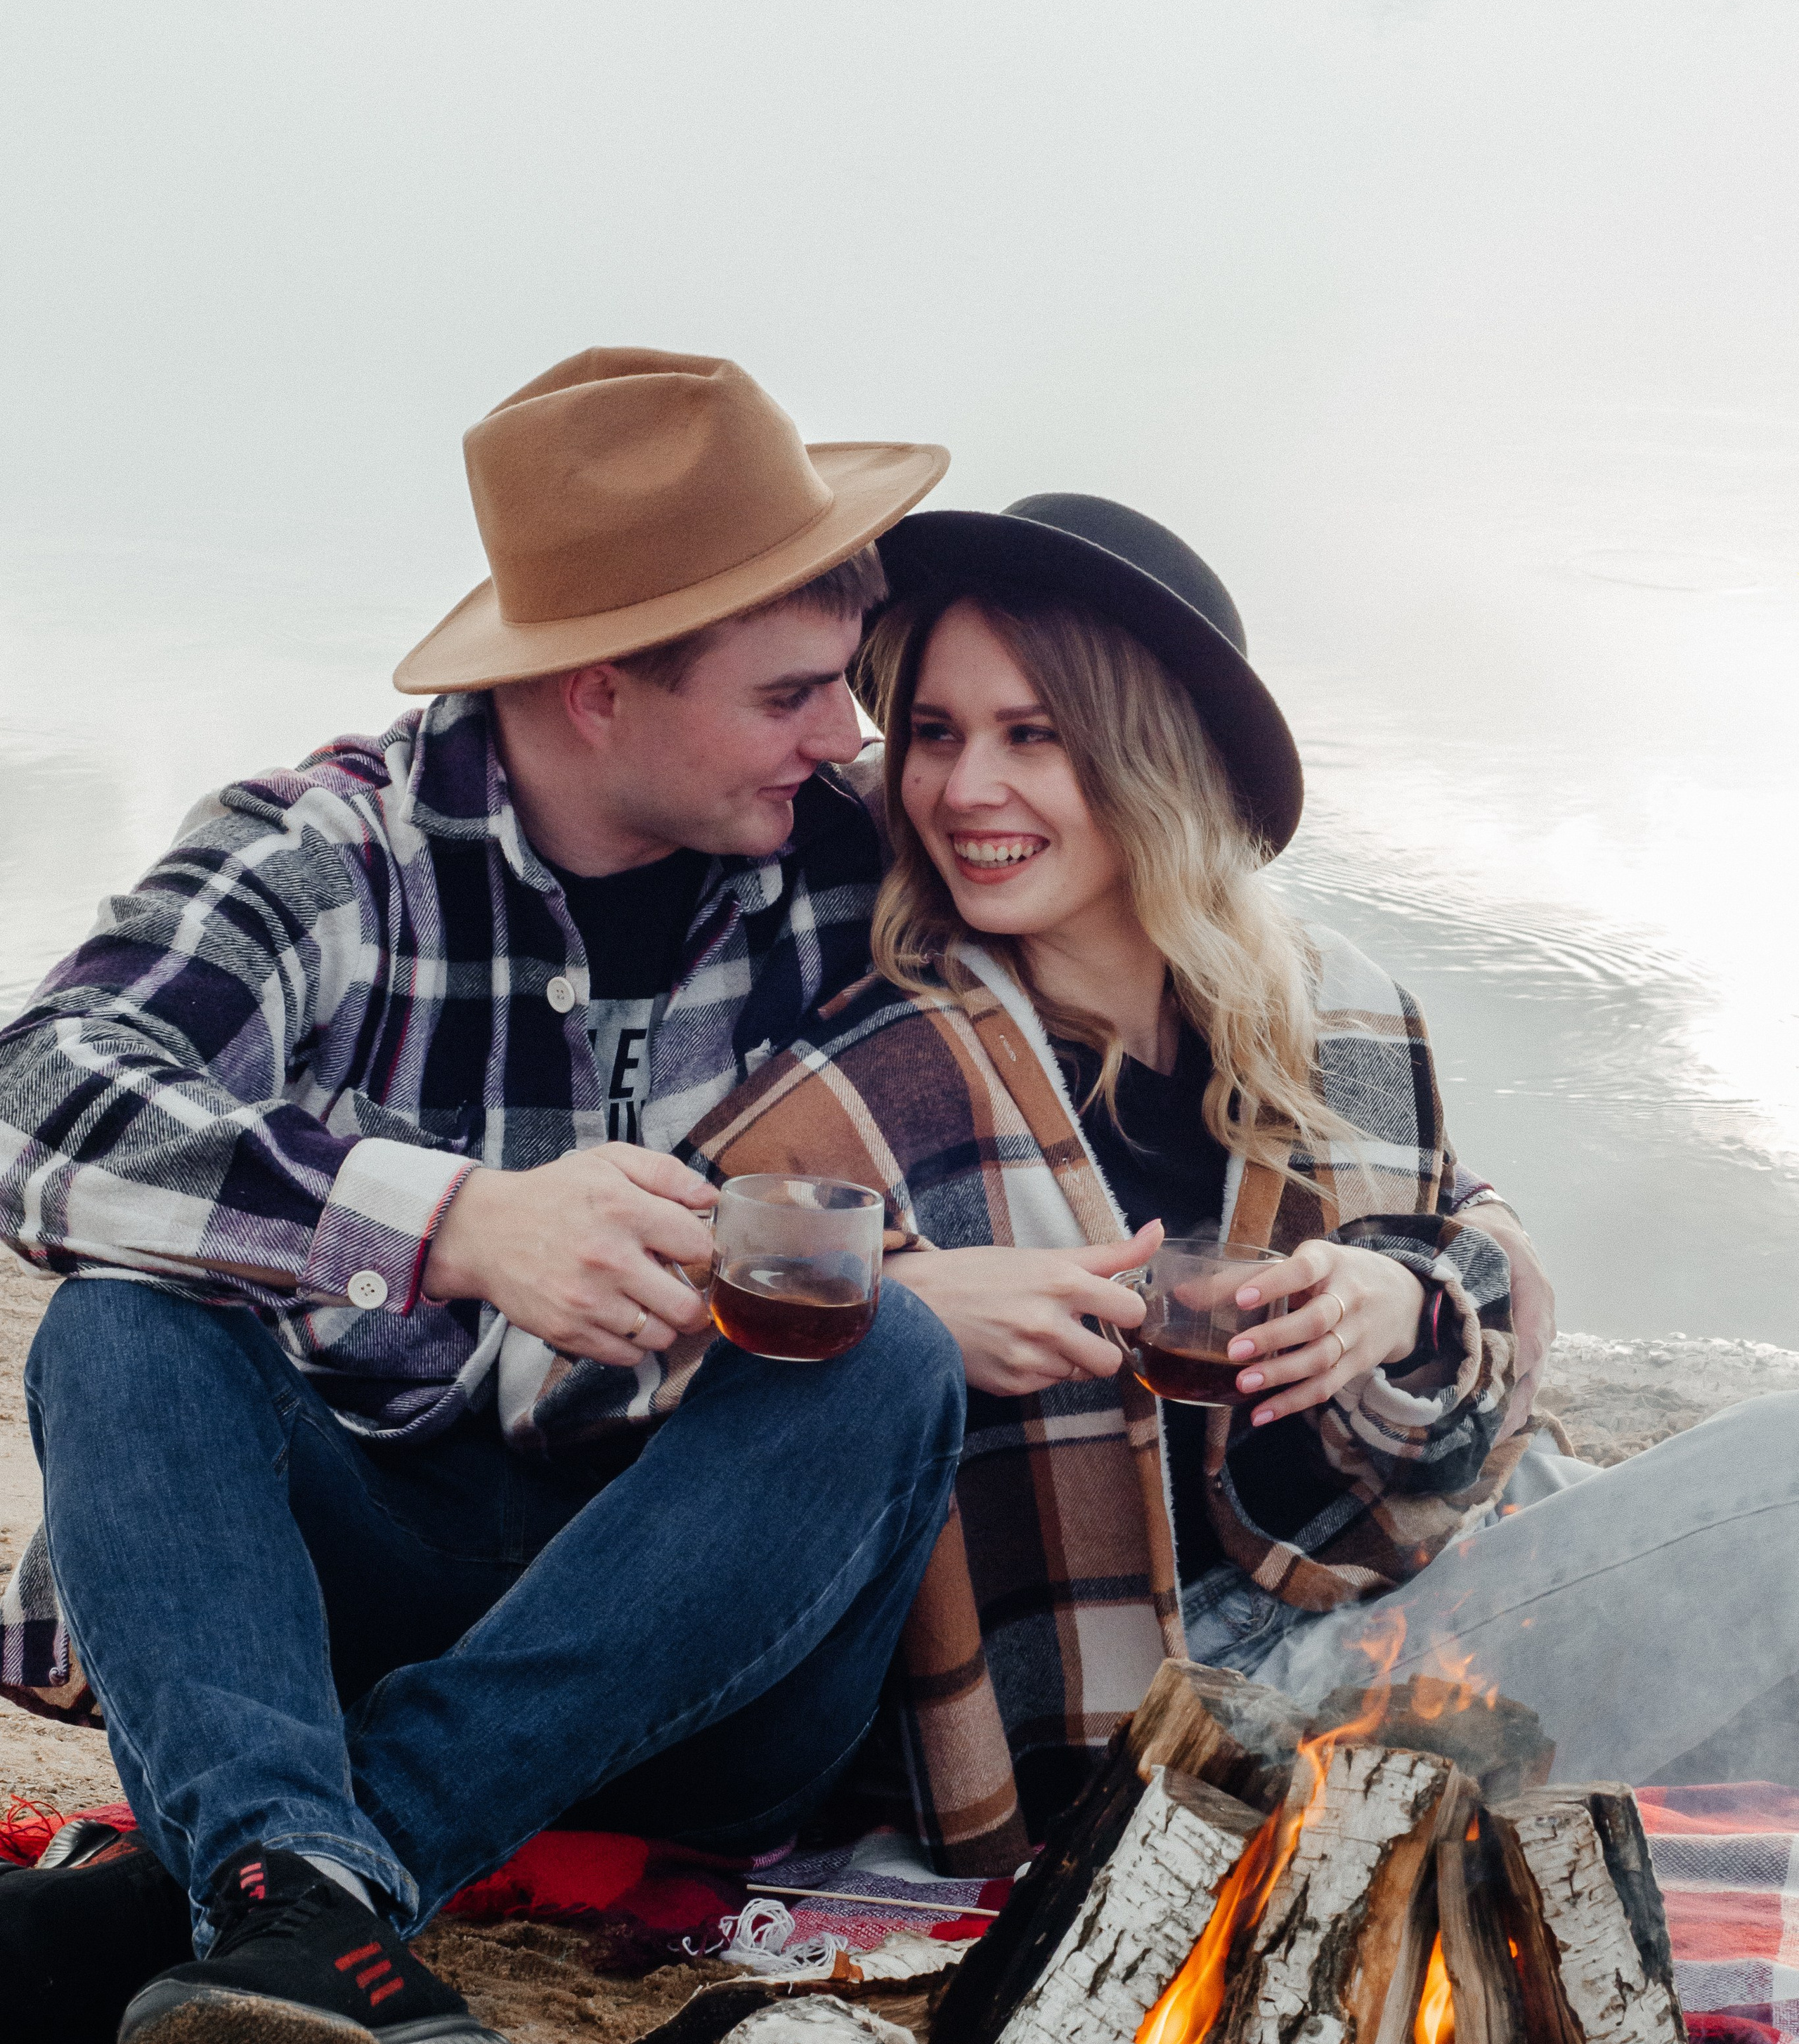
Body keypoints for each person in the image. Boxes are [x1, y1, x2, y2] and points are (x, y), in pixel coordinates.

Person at [0, 348, 965, 2044]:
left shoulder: (845, 865)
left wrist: (1441, 1258)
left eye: (845, 683)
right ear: (600, 693)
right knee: (121, 1324)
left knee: (892, 1355)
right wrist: (450, 1223)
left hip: (700, 1639)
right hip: (339, 1610)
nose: (845, 735)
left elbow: (1153, 941)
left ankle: (276, 1894)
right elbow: (37, 1099)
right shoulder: (331, 852)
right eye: (792, 694)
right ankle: (311, 1898)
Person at [673, 495, 1799, 1873]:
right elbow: (635, 1355)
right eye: (936, 733)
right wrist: (902, 1304)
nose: (963, 789)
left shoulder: (1328, 1012)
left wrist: (1400, 1301)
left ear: (1155, 761)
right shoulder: (881, 1076)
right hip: (1189, 1715)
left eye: (1033, 735)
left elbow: (1473, 1242)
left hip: (1399, 1568)